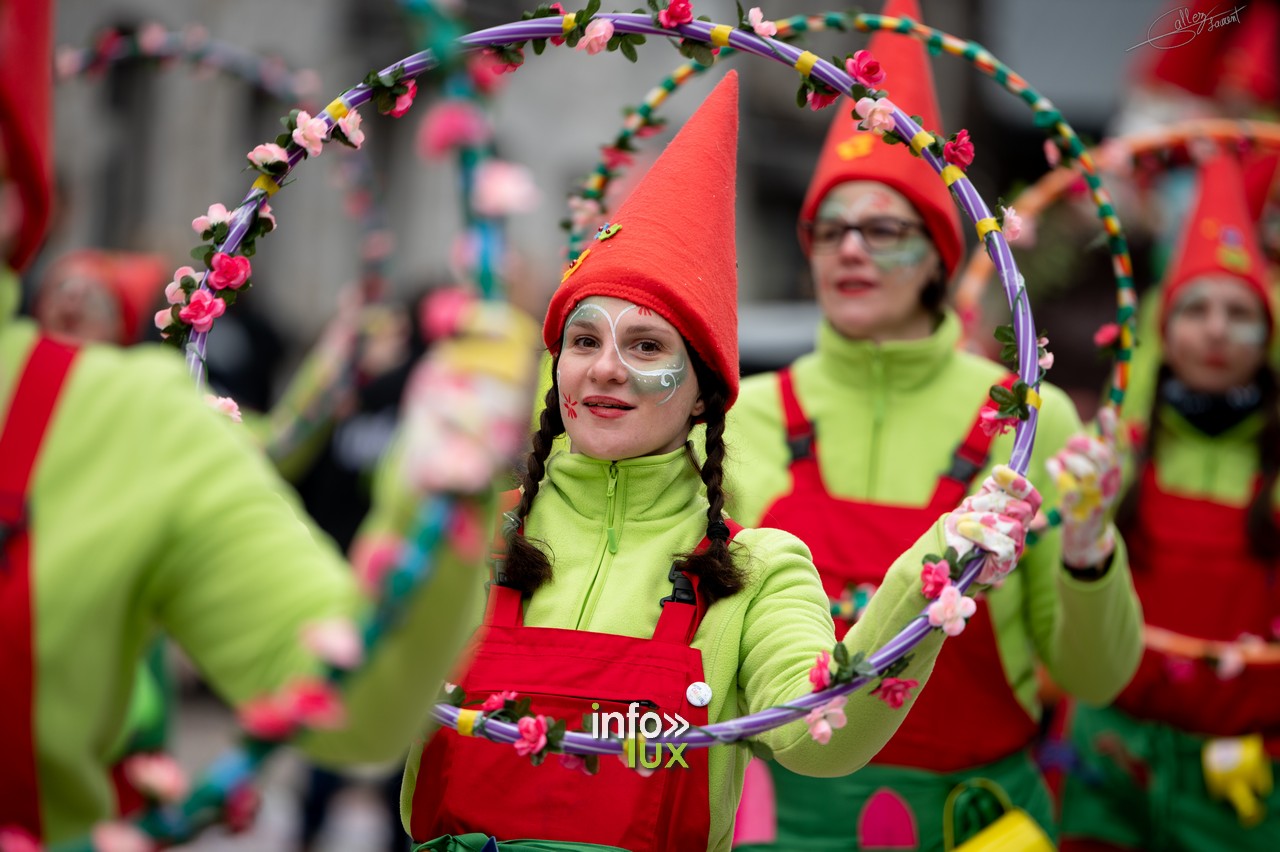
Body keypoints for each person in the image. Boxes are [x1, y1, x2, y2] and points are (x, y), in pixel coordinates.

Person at [395, 71, 1042, 852]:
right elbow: (345, 689)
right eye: (584, 340)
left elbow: (822, 736)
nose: (604, 369)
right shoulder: (464, 534)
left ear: (703, 392)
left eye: (645, 346)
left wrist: (927, 579)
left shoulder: (755, 568)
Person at [0, 2, 517, 843]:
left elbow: (345, 695)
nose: (69, 316)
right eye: (64, 301)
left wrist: (440, 484)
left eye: (88, 306)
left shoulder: (135, 420)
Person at [722, 2, 1143, 848]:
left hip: (974, 823)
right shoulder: (747, 414)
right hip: (777, 825)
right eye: (829, 230)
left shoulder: (1029, 418)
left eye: (884, 230)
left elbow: (1091, 675)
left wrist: (1093, 549)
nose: (849, 251)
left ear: (941, 256)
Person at [1058, 151, 1280, 851]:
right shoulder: (1110, 458)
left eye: (1240, 313)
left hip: (1246, 778)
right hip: (1110, 766)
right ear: (1161, 325)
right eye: (1196, 309)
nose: (1216, 330)